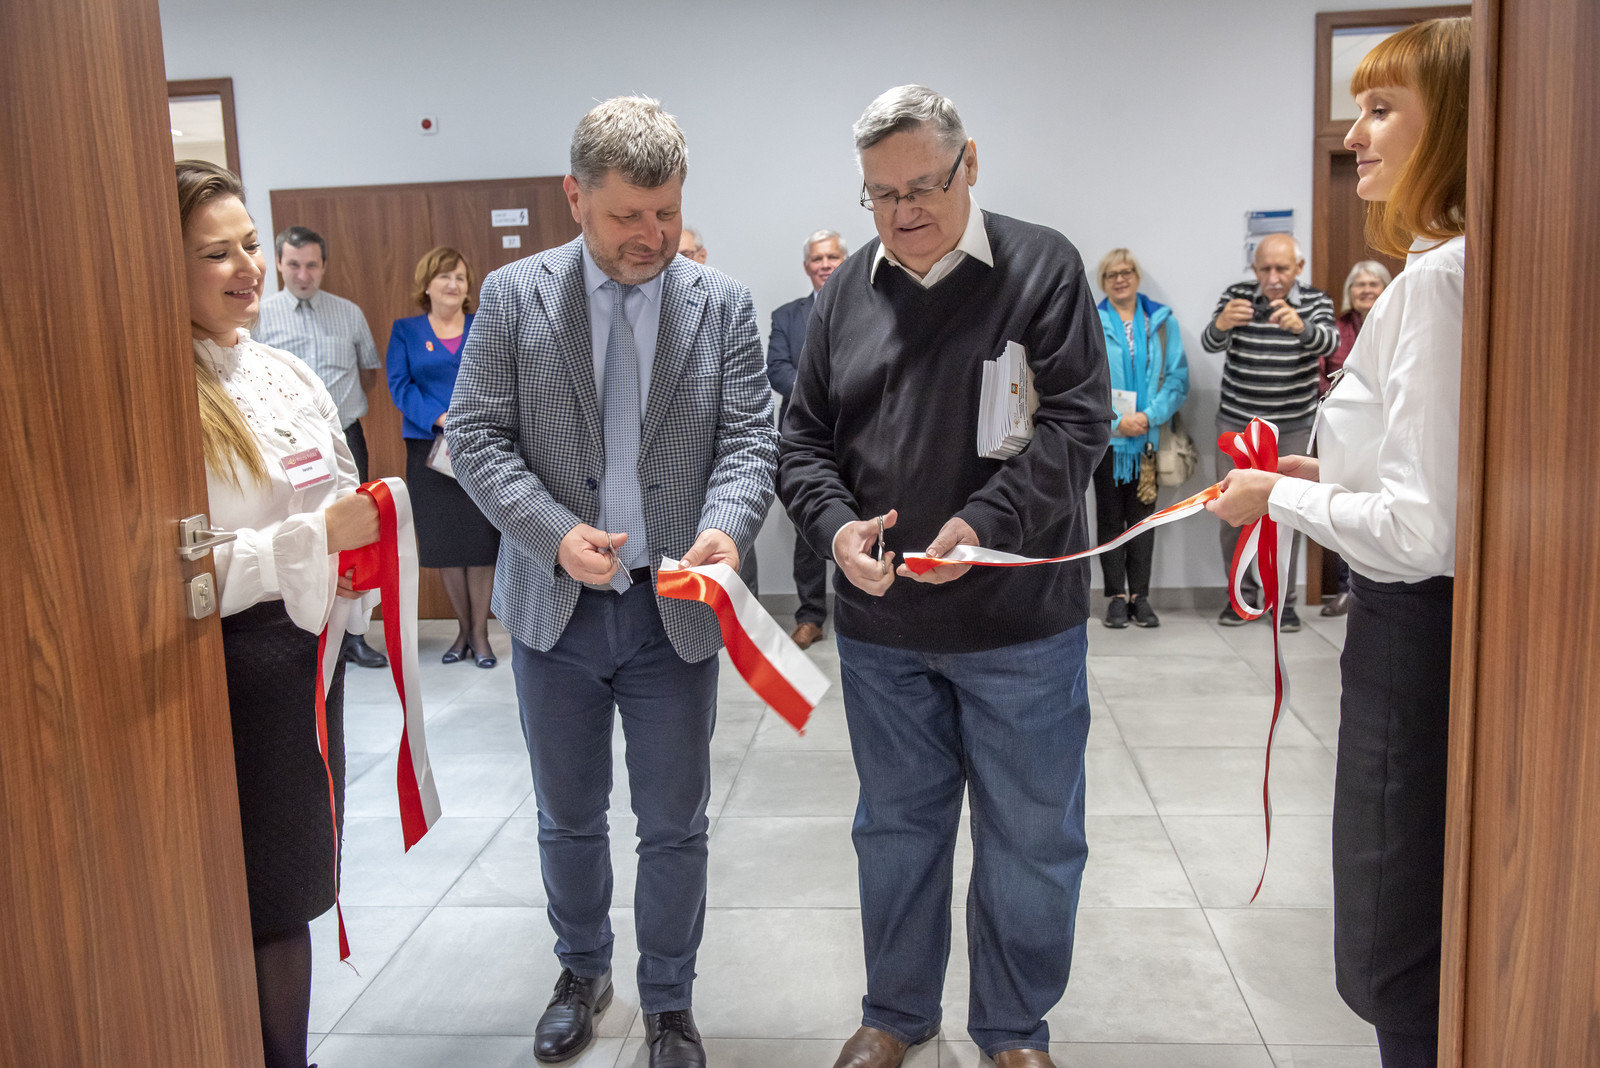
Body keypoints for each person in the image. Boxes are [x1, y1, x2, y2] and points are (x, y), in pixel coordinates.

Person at [779, 85, 1109, 1068]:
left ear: (970, 165)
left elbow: (1076, 424)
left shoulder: (1041, 267)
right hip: (885, 637)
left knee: (1031, 841)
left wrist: (985, 522)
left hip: (1020, 626)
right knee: (896, 831)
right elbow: (801, 442)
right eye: (880, 195)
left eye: (921, 186)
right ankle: (896, 1012)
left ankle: (1012, 1029)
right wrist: (836, 529)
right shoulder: (844, 294)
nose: (902, 212)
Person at [445, 96, 776, 1068]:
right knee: (568, 816)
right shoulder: (514, 297)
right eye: (629, 214)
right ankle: (581, 970)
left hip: (673, 614)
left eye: (667, 212)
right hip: (556, 615)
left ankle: (669, 998)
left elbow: (749, 441)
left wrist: (725, 526)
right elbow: (476, 437)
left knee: (673, 824)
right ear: (575, 196)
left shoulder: (722, 305)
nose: (652, 235)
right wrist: (553, 534)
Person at [1206, 18, 1470, 1067]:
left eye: (1379, 110)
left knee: (1390, 938)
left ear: (1450, 125)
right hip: (1411, 629)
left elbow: (1420, 529)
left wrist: (1275, 493)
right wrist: (1313, 475)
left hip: (1411, 635)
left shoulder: (1436, 282)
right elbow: (1417, 473)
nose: (1352, 134)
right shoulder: (1437, 269)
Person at [177, 160, 379, 1068]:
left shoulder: (288, 372)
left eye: (250, 243)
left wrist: (357, 551)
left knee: (293, 885)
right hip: (234, 667)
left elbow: (338, 484)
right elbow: (176, 572)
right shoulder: (162, 395)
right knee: (258, 899)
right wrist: (311, 541)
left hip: (309, 658)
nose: (247, 267)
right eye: (216, 253)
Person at [256, 225, 388, 668]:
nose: (303, 274)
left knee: (353, 529)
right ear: (279, 264)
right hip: (284, 447)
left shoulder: (348, 313)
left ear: (324, 265)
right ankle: (302, 624)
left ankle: (353, 633)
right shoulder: (260, 316)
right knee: (301, 526)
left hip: (344, 437)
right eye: (293, 264)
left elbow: (367, 372)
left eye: (312, 265)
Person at [1201, 232, 1338, 631]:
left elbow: (1330, 343)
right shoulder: (1237, 295)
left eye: (1282, 268)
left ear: (1299, 267)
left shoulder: (1315, 300)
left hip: (1292, 425)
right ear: (1254, 269)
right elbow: (1210, 342)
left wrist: (1301, 327)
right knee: (1230, 509)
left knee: (1289, 513)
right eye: (1265, 269)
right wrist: (1222, 323)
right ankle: (1238, 598)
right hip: (1238, 423)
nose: (1273, 277)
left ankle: (1283, 602)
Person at [385, 247, 501, 666]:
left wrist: (467, 420)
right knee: (447, 545)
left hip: (481, 445)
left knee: (482, 543)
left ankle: (481, 636)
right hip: (429, 450)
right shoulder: (406, 330)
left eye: (460, 278)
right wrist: (440, 418)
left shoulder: (483, 325)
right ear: (427, 284)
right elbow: (400, 386)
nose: (453, 284)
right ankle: (463, 633)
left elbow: (498, 377)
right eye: (444, 276)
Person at [1093, 248, 1189, 629]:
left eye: (1126, 272)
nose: (1120, 279)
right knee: (1109, 520)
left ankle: (1140, 598)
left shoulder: (1162, 322)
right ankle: (1115, 598)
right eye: (1111, 274)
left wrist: (1148, 417)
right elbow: (1085, 379)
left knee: (1142, 520)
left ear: (1136, 276)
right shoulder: (1092, 321)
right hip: (1107, 442)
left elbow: (1178, 379)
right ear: (1103, 282)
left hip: (1148, 442)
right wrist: (1116, 420)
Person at [767, 228, 848, 648]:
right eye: (818, 259)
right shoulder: (786, 316)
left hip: (855, 435)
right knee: (809, 525)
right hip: (803, 437)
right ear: (806, 267)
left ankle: (860, 611)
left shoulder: (867, 307)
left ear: (845, 261)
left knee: (863, 522)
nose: (825, 265)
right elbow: (777, 369)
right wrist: (822, 391)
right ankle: (811, 616)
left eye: (832, 257)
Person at [1318, 260, 1393, 617]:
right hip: (1344, 433)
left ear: (1386, 288)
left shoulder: (1397, 321)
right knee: (1344, 502)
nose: (1366, 290)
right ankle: (1347, 587)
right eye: (1359, 284)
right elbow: (1322, 375)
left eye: (1373, 283)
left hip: (1389, 428)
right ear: (1350, 292)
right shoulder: (1337, 328)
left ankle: (1380, 584)